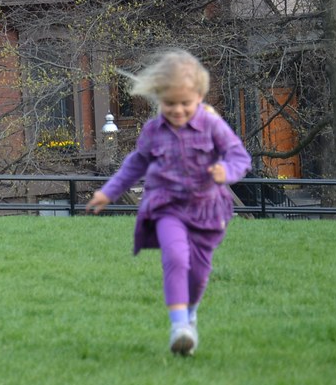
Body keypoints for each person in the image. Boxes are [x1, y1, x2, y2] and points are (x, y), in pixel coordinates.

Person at [85, 50, 251, 356]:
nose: (177, 110)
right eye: (169, 103)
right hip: (166, 207)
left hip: (207, 211)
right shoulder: (153, 131)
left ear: (199, 96)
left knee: (198, 274)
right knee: (175, 257)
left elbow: (239, 157)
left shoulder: (212, 125)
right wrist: (109, 191)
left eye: (185, 103)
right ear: (159, 99)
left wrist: (226, 171)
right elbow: (135, 164)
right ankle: (179, 328)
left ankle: (190, 315)